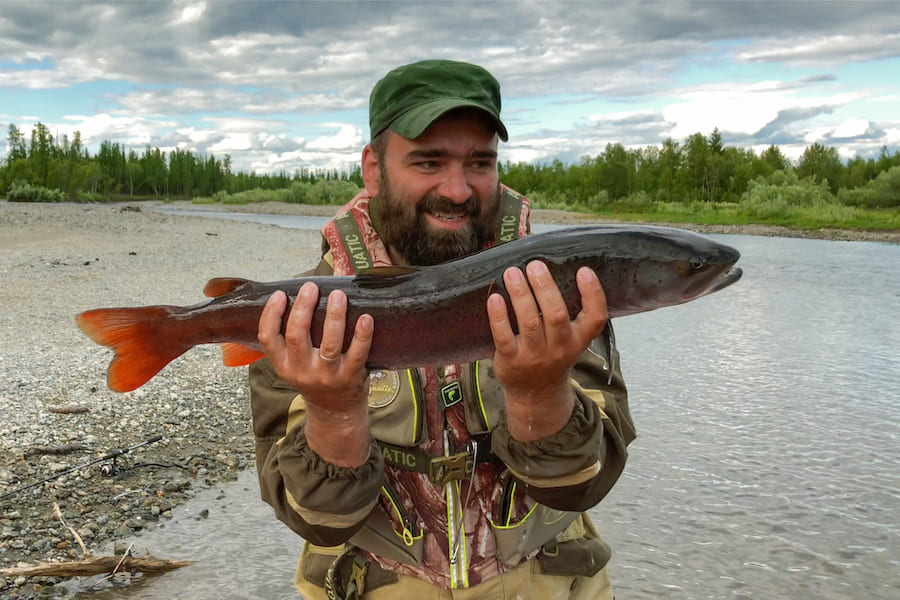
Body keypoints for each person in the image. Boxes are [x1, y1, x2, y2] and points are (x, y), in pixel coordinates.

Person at [249, 59, 636, 599]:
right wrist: (334, 414)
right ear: (373, 167)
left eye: (480, 162)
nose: (457, 190)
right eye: (428, 162)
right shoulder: (309, 310)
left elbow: (588, 483)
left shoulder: (558, 289)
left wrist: (540, 395)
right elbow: (316, 520)